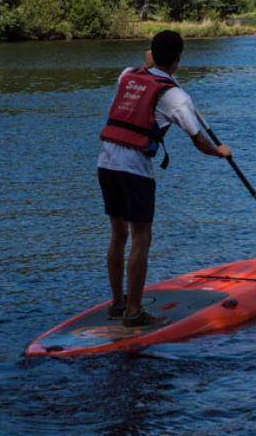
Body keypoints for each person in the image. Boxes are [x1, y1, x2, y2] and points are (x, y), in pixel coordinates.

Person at [97, 30, 232, 328]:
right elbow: (199, 141)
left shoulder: (127, 75)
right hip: (134, 169)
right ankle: (133, 311)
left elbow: (145, 70)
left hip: (105, 162)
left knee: (118, 234)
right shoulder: (177, 96)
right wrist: (220, 151)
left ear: (151, 54)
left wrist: (153, 62)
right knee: (141, 237)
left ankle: (117, 304)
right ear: (179, 60)